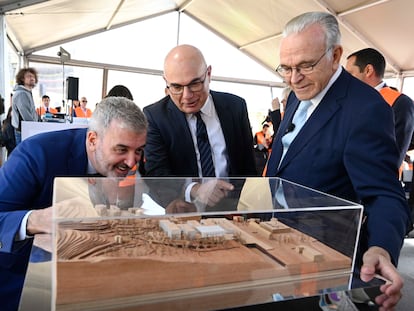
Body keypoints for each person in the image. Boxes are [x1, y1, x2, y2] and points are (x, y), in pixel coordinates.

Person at [266, 12, 411, 310]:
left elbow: (384, 192)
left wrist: (381, 246)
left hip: (325, 260)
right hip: (278, 246)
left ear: (335, 55)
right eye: (286, 68)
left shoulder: (365, 108)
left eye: (306, 65)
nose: (294, 78)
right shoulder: (297, 94)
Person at [0, 96, 147, 311]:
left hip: (90, 281)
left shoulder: (129, 164)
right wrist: (36, 219)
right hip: (23, 285)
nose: (132, 162)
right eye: (121, 149)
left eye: (139, 150)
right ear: (92, 140)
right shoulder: (35, 154)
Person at [143, 44, 257, 178]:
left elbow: (248, 166)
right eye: (177, 87)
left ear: (208, 74)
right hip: (180, 199)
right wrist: (192, 190)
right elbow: (158, 174)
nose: (187, 96)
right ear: (166, 81)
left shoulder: (235, 108)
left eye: (194, 84)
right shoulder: (155, 117)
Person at [345, 48, 414, 167]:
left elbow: (394, 154)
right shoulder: (350, 101)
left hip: (370, 180)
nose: (347, 79)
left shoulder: (400, 103)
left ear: (368, 70)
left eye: (350, 73)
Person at [11, 67, 39, 146]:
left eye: (33, 76)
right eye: (29, 76)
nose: (32, 78)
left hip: (25, 129)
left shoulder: (27, 92)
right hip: (24, 131)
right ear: (22, 79)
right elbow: (26, 116)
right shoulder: (22, 94)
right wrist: (36, 127)